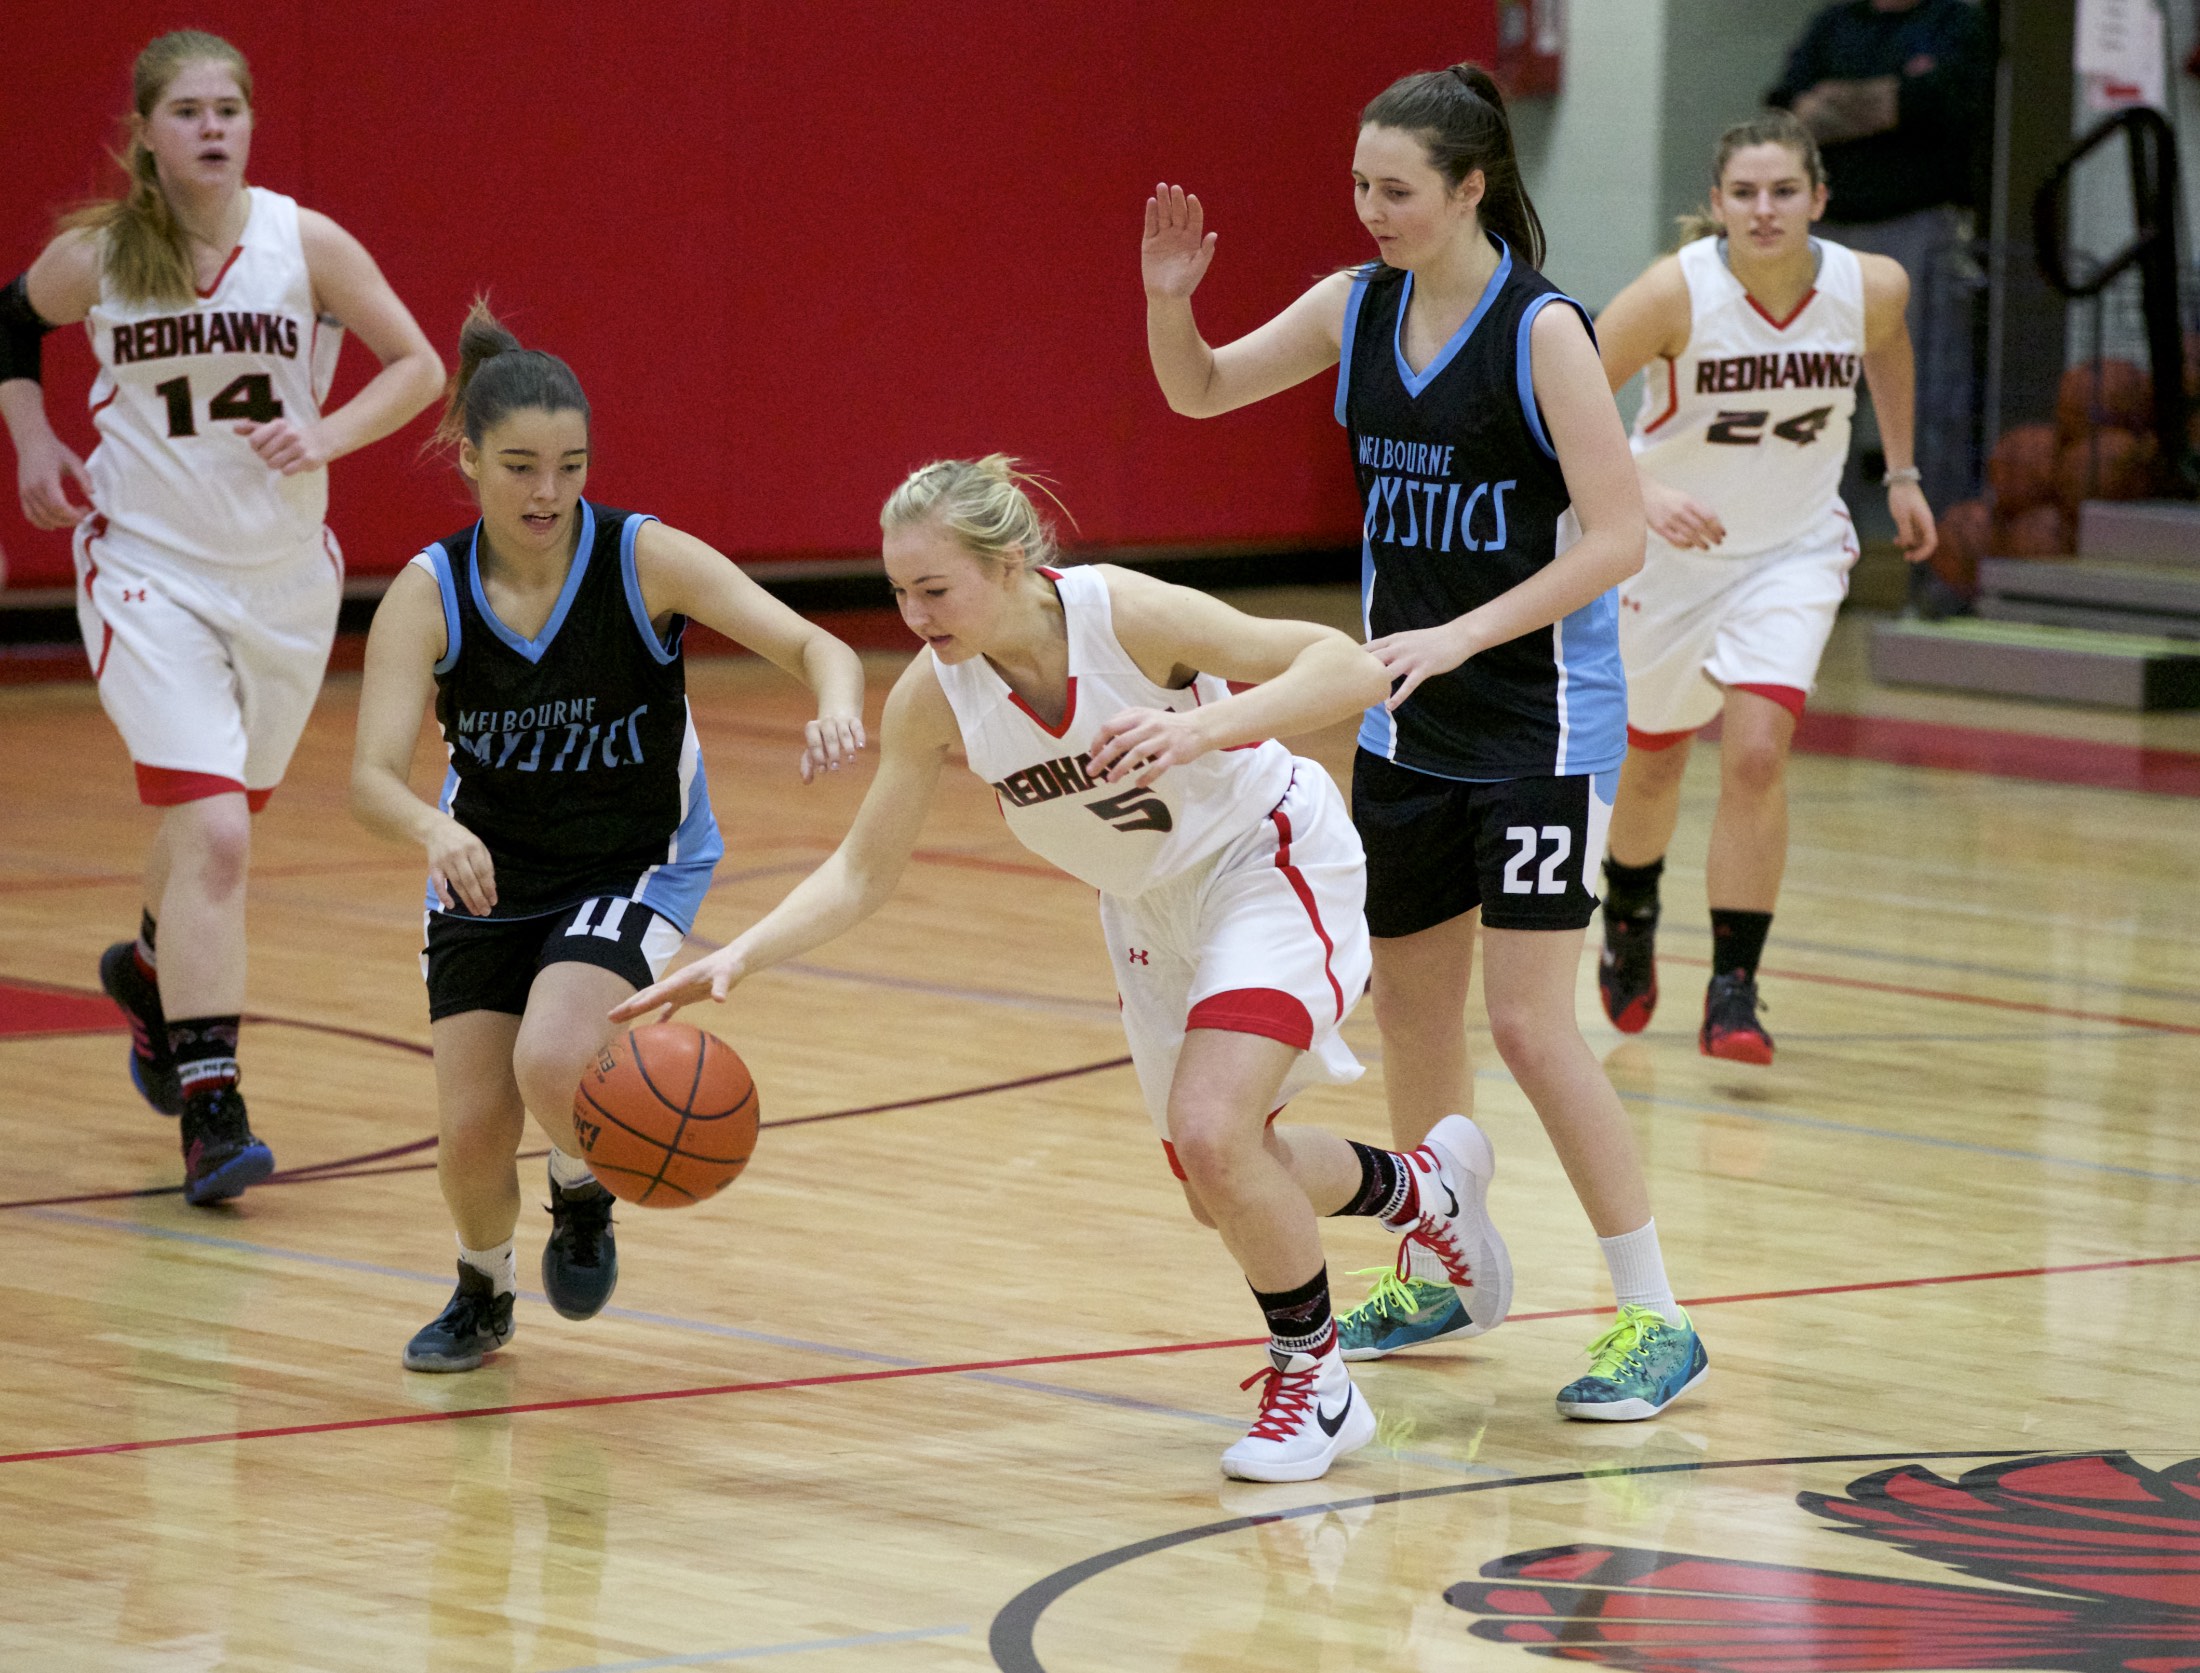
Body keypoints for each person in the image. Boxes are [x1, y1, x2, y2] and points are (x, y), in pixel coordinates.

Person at [615, 456, 1509, 1483]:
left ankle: (1316, 1381)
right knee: (1220, 1178)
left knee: (1215, 1134)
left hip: (1260, 855)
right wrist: (736, 953)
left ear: (1011, 565)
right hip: (1144, 910)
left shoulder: (1124, 614)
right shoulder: (933, 696)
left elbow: (1346, 666)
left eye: (935, 588)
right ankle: (1423, 1188)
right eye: (899, 590)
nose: (914, 613)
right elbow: (864, 869)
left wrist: (1197, 725)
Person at [1139, 64, 1707, 1420]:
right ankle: (1437, 1260)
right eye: (1358, 186)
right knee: (1412, 1017)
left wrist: (1460, 636)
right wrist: (1172, 303)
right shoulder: (1358, 305)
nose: (1370, 209)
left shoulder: (1543, 331)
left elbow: (1618, 538)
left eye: (1395, 189)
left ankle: (1657, 1314)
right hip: (1406, 724)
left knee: (1528, 1021)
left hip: (1538, 728)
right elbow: (1202, 391)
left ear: (1469, 188)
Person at [350, 303, 868, 1373]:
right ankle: (481, 1288)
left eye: (571, 465)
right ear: (469, 459)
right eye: (523, 466)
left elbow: (814, 641)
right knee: (471, 1134)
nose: (549, 492)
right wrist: (429, 823)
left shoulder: (644, 558)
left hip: (634, 859)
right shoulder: (427, 592)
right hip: (487, 868)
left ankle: (581, 1192)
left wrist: (836, 702)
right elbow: (366, 776)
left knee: (554, 1054)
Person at [0, 31, 444, 1204]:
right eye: (187, 110)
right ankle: (212, 1106)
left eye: (229, 109)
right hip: (147, 567)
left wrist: (328, 431)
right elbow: (7, 325)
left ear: (250, 125)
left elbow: (416, 365)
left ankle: (153, 975)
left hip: (284, 580)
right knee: (221, 836)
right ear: (145, 132)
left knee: (214, 824)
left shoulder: (304, 243)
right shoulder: (99, 254)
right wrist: (34, 437)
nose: (212, 127)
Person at [1592, 111, 1936, 1063]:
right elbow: (1560, 402)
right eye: (1744, 192)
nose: (1765, 208)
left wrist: (1901, 473)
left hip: (1792, 550)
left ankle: (1734, 989)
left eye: (1785, 190)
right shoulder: (1673, 294)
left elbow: (1890, 349)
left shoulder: (1869, 284)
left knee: (1754, 754)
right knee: (1653, 758)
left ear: (1819, 198)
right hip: (1669, 559)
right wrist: (1642, 490)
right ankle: (1629, 906)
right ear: (1717, 204)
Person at [1769, 0, 1992, 516]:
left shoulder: (1955, 22)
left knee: (1930, 404)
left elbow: (1945, 102)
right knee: (1814, 402)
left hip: (1919, 234)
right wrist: (1891, 102)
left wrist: (1836, 102)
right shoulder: (1834, 24)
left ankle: (1935, 575)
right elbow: (1790, 117)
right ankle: (1820, 566)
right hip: (1828, 236)